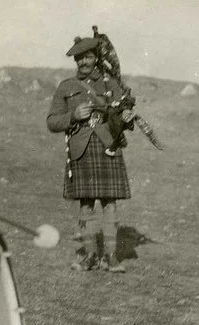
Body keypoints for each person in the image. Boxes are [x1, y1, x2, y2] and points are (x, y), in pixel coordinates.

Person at [47, 35, 135, 272]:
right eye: (79, 58)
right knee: (86, 205)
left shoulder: (111, 84)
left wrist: (126, 118)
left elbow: (123, 114)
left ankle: (110, 258)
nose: (83, 62)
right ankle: (89, 257)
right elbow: (52, 121)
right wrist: (73, 116)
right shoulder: (66, 87)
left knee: (110, 204)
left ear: (96, 58)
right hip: (81, 150)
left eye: (88, 57)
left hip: (108, 147)